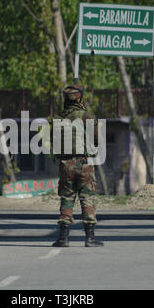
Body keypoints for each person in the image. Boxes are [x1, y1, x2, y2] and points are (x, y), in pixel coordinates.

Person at [52, 86, 104, 248]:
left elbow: (53, 141)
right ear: (80, 98)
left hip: (65, 164)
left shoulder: (59, 117)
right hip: (83, 163)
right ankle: (89, 238)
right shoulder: (86, 115)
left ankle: (64, 238)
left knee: (67, 197)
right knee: (87, 197)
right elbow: (97, 139)